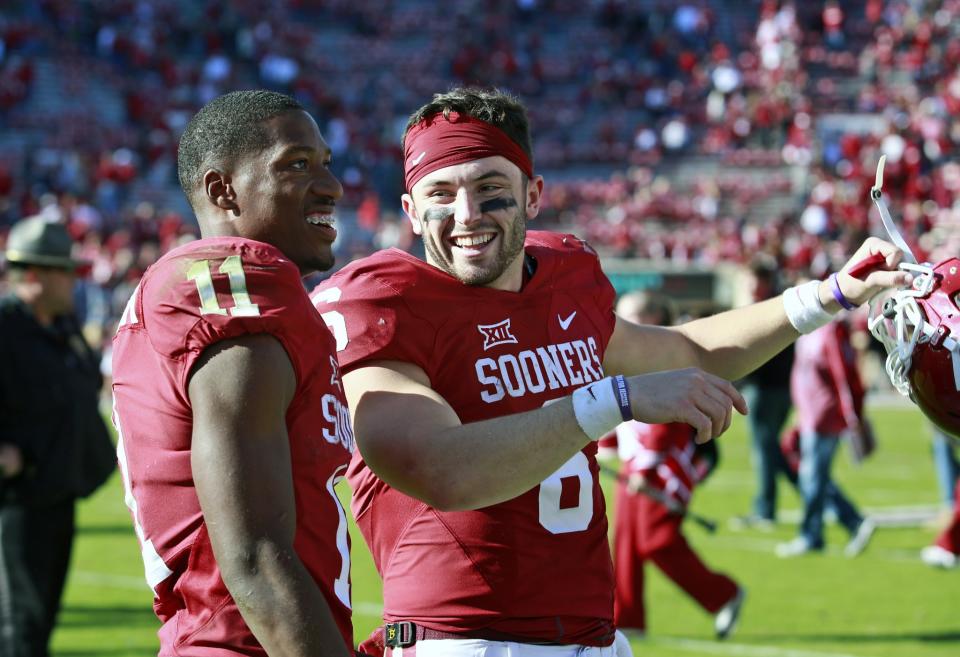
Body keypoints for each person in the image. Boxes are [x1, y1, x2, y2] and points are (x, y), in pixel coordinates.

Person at [311, 87, 908, 657]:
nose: (465, 214)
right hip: (462, 638)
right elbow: (436, 465)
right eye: (441, 193)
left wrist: (829, 294)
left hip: (592, 634)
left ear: (532, 195)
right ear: (411, 211)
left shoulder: (565, 278)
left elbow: (687, 353)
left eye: (490, 187)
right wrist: (610, 400)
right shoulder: (385, 298)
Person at [110, 90, 355, 656]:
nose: (331, 185)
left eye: (325, 163)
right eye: (296, 164)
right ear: (224, 190)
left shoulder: (194, 289)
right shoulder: (235, 281)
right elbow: (256, 557)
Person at [0, 216, 116, 657]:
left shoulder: (64, 328)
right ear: (33, 275)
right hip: (15, 506)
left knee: (40, 623)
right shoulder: (6, 329)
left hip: (60, 497)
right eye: (64, 271)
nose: (73, 282)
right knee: (19, 630)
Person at [606, 291, 744, 641]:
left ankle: (723, 594)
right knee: (625, 545)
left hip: (664, 466)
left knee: (657, 541)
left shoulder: (668, 351)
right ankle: (628, 620)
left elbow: (670, 418)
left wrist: (645, 468)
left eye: (631, 315)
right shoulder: (625, 351)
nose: (620, 324)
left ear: (653, 317)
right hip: (633, 464)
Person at [776, 317, 876, 558]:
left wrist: (853, 416)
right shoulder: (806, 328)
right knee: (812, 475)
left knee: (813, 476)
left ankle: (816, 534)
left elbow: (842, 373)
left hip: (824, 414)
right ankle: (848, 523)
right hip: (809, 414)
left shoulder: (830, 331)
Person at [734, 257, 795, 529]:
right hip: (777, 388)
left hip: (767, 389)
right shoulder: (779, 304)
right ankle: (814, 494)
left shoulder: (767, 307)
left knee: (765, 452)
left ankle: (765, 509)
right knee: (772, 452)